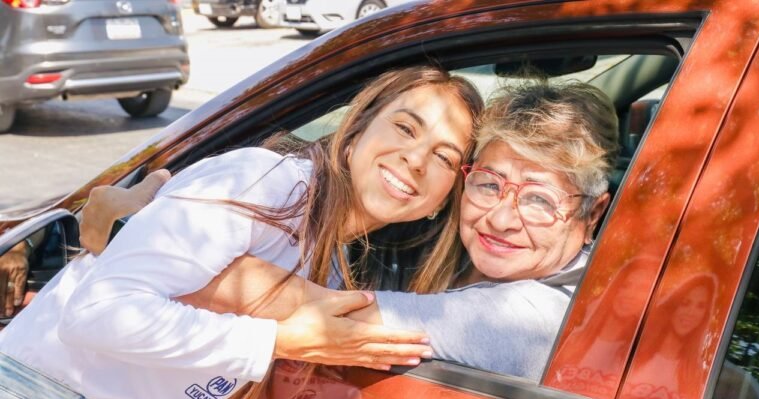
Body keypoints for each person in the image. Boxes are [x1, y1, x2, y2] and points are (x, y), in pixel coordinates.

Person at [0, 66, 483, 399]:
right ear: (355, 131)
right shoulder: (267, 181)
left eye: (444, 157)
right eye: (405, 127)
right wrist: (273, 340)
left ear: (442, 202)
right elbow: (98, 313)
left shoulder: (331, 264)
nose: (416, 158)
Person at [85, 79, 619, 382]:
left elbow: (332, 316)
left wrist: (134, 231)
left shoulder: (538, 314)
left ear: (591, 216)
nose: (502, 218)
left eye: (540, 200)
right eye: (488, 185)